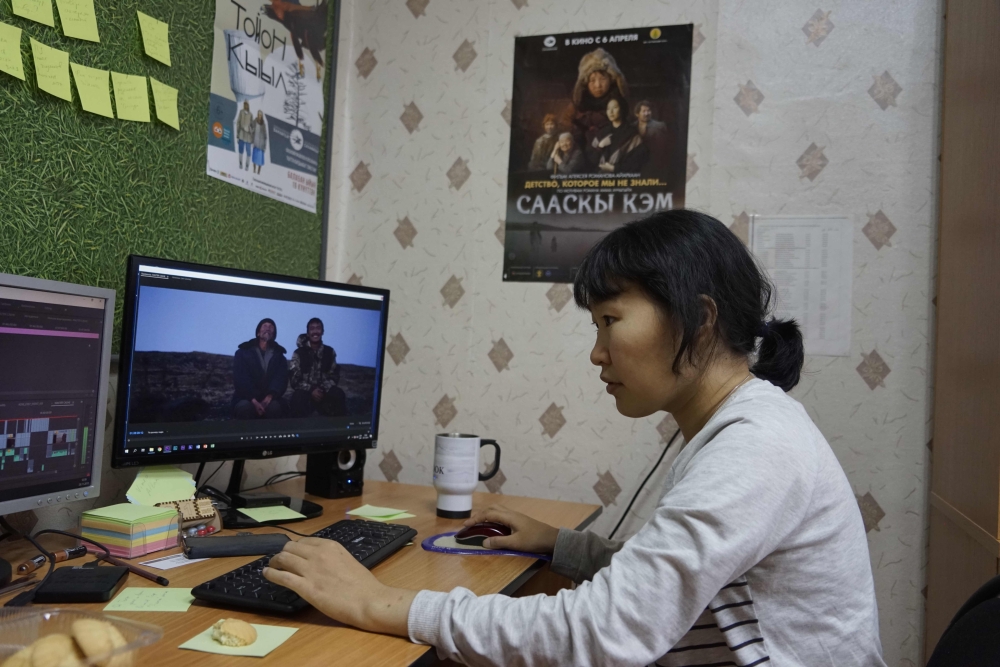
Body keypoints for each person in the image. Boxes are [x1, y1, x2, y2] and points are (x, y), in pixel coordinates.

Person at [261, 210, 887, 667]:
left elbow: (609, 629)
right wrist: (559, 545)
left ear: (699, 318)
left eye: (611, 321)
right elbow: (667, 584)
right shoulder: (737, 426)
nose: (597, 352)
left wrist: (380, 603)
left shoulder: (756, 447)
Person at [559, 48, 629, 163]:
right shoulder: (578, 104)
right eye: (592, 80)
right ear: (585, 83)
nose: (598, 85)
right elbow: (565, 127)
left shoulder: (619, 103)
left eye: (602, 79)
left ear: (611, 79)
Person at [288, 318, 347, 417]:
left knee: (339, 394)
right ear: (307, 333)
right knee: (296, 398)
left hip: (325, 392)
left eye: (318, 328)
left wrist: (322, 390)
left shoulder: (330, 352)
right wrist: (311, 390)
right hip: (305, 393)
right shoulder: (298, 353)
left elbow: (334, 376)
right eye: (312, 328)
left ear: (322, 332)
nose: (315, 331)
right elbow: (294, 380)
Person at [232, 318, 288, 419]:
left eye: (271, 327)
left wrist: (267, 400)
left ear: (274, 335)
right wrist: (254, 401)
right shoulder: (243, 352)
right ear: (258, 333)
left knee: (275, 408)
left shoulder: (280, 357)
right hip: (246, 398)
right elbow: (241, 379)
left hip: (270, 398)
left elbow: (280, 379)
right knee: (244, 408)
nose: (268, 328)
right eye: (265, 326)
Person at [586, 98, 648, 173]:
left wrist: (614, 168)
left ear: (622, 109)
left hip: (621, 178)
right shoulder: (602, 132)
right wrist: (600, 146)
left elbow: (637, 161)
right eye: (608, 109)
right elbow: (590, 160)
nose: (611, 112)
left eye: (615, 108)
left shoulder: (631, 133)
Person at [633, 99, 672, 177]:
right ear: (637, 114)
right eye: (644, 111)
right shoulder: (631, 127)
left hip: (655, 165)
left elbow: (663, 149)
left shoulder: (660, 126)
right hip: (636, 166)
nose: (647, 113)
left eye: (649, 111)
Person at [236, 101, 253, 171]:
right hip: (241, 135)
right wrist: (237, 135)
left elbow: (252, 126)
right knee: (240, 150)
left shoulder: (251, 115)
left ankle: (247, 165)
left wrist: (249, 129)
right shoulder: (241, 112)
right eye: (244, 105)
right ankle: (240, 163)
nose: (245, 106)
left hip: (248, 136)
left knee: (248, 152)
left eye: (246, 105)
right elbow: (238, 123)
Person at [252, 110, 267, 175]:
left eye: (260, 115)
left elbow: (265, 136)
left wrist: (264, 146)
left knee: (260, 161)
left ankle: (258, 173)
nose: (259, 116)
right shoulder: (255, 121)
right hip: (255, 143)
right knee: (254, 159)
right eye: (258, 115)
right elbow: (251, 127)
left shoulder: (263, 124)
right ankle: (254, 170)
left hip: (261, 145)